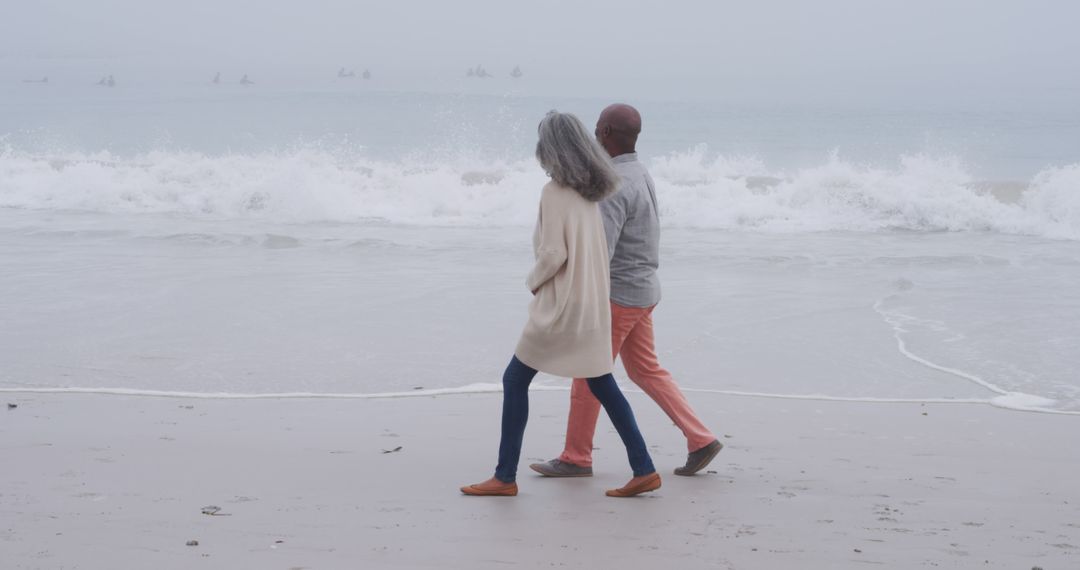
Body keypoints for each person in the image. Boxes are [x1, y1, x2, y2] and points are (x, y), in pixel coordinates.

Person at [461, 111, 661, 498]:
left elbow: (553, 255)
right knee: (603, 383)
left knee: (515, 381)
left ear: (549, 149)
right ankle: (644, 468)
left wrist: (533, 282)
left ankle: (504, 477)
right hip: (592, 304)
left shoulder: (554, 192)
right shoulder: (597, 188)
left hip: (561, 306)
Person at [530, 104, 723, 479]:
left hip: (619, 294)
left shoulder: (613, 186)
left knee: (587, 374)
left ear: (604, 132)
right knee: (646, 370)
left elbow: (599, 254)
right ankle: (701, 439)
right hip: (645, 288)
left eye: (595, 127)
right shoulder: (639, 172)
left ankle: (576, 457)